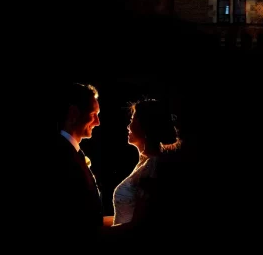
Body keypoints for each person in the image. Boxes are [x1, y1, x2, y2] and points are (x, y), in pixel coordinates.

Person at [104, 97, 182, 237]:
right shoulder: (144, 163)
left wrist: (97, 234)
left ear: (144, 126)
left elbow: (139, 226)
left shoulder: (153, 168)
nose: (128, 126)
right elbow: (124, 217)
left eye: (132, 120)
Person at [52, 82, 104, 246]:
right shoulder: (61, 157)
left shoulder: (72, 153)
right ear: (74, 113)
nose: (97, 122)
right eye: (93, 114)